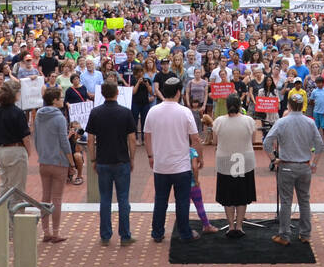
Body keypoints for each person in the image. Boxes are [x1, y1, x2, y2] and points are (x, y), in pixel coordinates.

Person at [143, 75, 201, 244]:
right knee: (182, 201)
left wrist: (150, 155)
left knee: (160, 200)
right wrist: (199, 157)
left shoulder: (153, 111)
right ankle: (185, 233)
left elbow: (147, 136)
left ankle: (157, 232)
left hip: (160, 165)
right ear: (178, 92)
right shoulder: (185, 112)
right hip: (181, 166)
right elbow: (195, 138)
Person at [263, 90, 323, 246]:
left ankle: (284, 235)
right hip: (304, 166)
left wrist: (273, 159)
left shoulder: (282, 122)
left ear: (289, 105)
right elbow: (320, 145)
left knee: (286, 202)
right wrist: (314, 163)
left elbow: (266, 142)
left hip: (286, 165)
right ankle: (305, 234)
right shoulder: (310, 122)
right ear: (302, 105)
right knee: (304, 200)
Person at [86, 81, 138, 245]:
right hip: (121, 160)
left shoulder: (95, 112)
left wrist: (93, 158)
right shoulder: (126, 112)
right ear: (117, 93)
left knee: (105, 199)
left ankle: (105, 234)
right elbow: (132, 139)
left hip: (103, 160)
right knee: (123, 199)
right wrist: (132, 158)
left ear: (102, 93)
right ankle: (125, 235)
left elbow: (90, 139)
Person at [213, 92, 258, 237]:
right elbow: (252, 141)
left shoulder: (219, 121)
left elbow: (215, 142)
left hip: (225, 161)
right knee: (242, 194)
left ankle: (231, 226)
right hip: (244, 160)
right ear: (240, 106)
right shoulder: (249, 120)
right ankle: (239, 226)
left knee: (228, 195)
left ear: (226, 106)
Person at [34, 88, 75, 243]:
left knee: (45, 197)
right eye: (60, 98)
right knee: (57, 198)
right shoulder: (60, 118)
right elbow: (64, 142)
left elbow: (36, 137)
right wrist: (71, 162)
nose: (62, 100)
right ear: (54, 100)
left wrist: (41, 153)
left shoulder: (39, 115)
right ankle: (56, 232)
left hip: (44, 160)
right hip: (58, 162)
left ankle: (46, 231)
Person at [0, 79, 36, 216]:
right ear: (15, 94)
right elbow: (26, 137)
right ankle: (16, 223)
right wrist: (29, 152)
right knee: (17, 189)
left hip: (2, 150)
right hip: (16, 149)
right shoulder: (18, 112)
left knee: (4, 186)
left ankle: (3, 220)